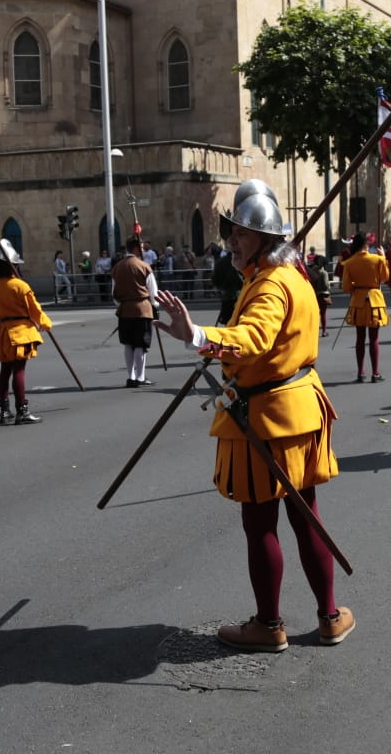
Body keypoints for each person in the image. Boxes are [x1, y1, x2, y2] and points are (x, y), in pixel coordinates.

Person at [153, 179, 351, 652]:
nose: (232, 241)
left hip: (268, 416)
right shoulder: (290, 275)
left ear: (264, 238)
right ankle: (328, 618)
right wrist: (218, 347)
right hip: (298, 408)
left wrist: (199, 336)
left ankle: (268, 625)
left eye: (240, 233)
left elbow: (254, 338)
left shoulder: (270, 285)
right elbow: (263, 344)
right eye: (231, 232)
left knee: (262, 523)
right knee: (306, 518)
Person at [0, 240, 51, 425]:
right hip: (21, 330)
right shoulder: (20, 286)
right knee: (19, 370)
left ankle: (4, 410)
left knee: (5, 370)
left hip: (4, 330)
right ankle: (22, 410)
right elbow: (35, 310)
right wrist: (46, 324)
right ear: (11, 265)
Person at [339, 232, 390, 383]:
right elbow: (385, 277)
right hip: (374, 299)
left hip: (358, 301)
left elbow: (346, 287)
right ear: (367, 244)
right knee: (374, 339)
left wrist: (357, 286)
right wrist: (383, 257)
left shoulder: (349, 262)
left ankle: (361, 372)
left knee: (360, 339)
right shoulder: (377, 259)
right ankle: (375, 373)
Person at [113, 237, 159, 387]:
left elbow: (114, 293)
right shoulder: (144, 266)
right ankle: (140, 377)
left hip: (125, 310)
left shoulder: (117, 267)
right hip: (142, 310)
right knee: (140, 344)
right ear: (135, 249)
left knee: (128, 343)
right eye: (140, 247)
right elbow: (153, 291)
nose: (142, 250)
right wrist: (155, 306)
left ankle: (130, 376)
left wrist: (122, 303)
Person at [210, 248, 243, 325]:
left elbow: (214, 280)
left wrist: (221, 288)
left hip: (226, 296)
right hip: (240, 296)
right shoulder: (241, 261)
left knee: (228, 322)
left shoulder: (220, 262)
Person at [306, 253, 332, 337]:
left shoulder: (311, 271)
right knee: (323, 314)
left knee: (314, 313)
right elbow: (326, 285)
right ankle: (324, 331)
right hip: (323, 294)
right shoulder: (324, 273)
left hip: (313, 294)